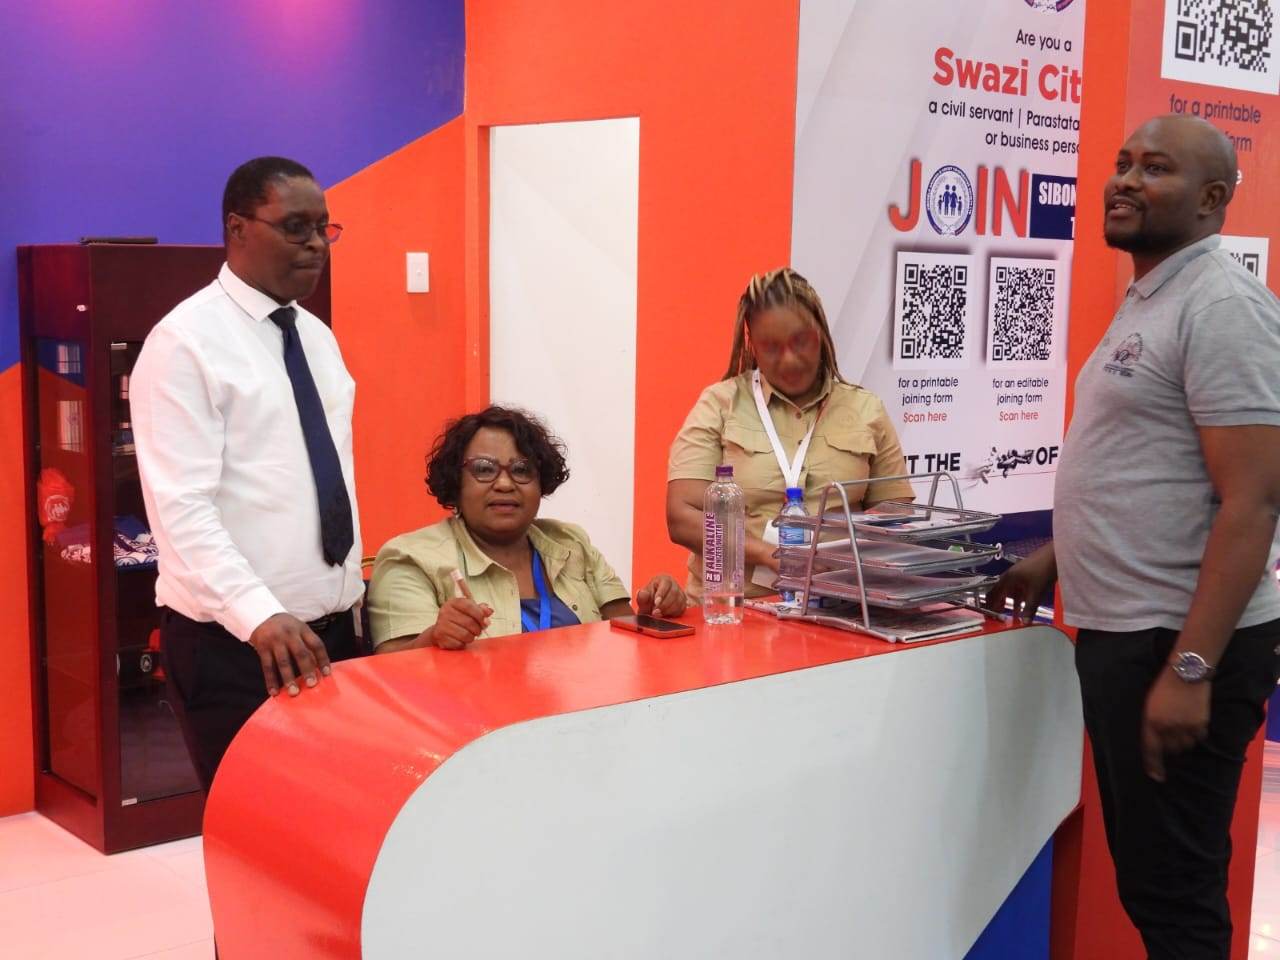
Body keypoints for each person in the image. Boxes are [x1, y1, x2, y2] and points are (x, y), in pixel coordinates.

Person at [989, 115, 1280, 959]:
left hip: (1177, 642)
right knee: (1156, 881)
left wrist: (1191, 669)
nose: (1124, 180)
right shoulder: (1155, 296)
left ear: (1212, 199)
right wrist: (1054, 560)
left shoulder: (1222, 306)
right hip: (1132, 633)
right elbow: (1151, 468)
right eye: (1123, 163)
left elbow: (1254, 503)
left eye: (1155, 168)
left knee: (1175, 894)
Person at [132, 157, 363, 792]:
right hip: (237, 646)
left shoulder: (316, 337)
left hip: (333, 636)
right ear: (237, 228)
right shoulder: (185, 343)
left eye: (323, 228)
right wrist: (259, 614)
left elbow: (322, 480)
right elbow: (181, 510)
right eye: (295, 228)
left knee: (335, 821)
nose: (316, 245)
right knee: (257, 830)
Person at [666, 267, 913, 598]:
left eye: (801, 341)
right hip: (733, 609)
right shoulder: (720, 405)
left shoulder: (866, 410)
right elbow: (682, 516)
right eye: (771, 347)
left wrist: (851, 557)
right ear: (753, 346)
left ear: (821, 332)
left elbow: (895, 513)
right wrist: (769, 555)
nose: (790, 360)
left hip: (837, 605)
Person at [368, 405, 686, 651]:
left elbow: (626, 631)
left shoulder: (571, 543)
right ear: (455, 482)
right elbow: (392, 676)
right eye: (484, 469)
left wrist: (655, 611)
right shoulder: (410, 558)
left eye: (522, 470)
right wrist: (434, 638)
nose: (505, 484)